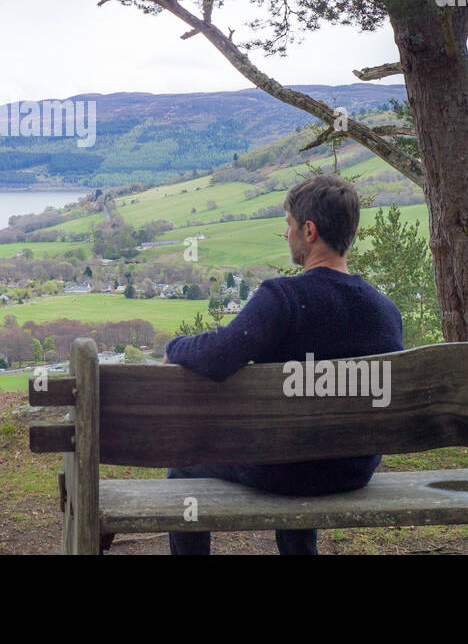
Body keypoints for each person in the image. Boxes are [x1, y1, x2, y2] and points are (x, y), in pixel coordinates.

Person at [162, 173, 404, 555]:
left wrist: (174, 347)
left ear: (309, 231)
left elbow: (218, 355)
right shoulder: (385, 312)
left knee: (185, 468)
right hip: (353, 471)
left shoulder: (283, 298)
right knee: (299, 446)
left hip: (282, 471)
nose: (287, 233)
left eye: (289, 225)